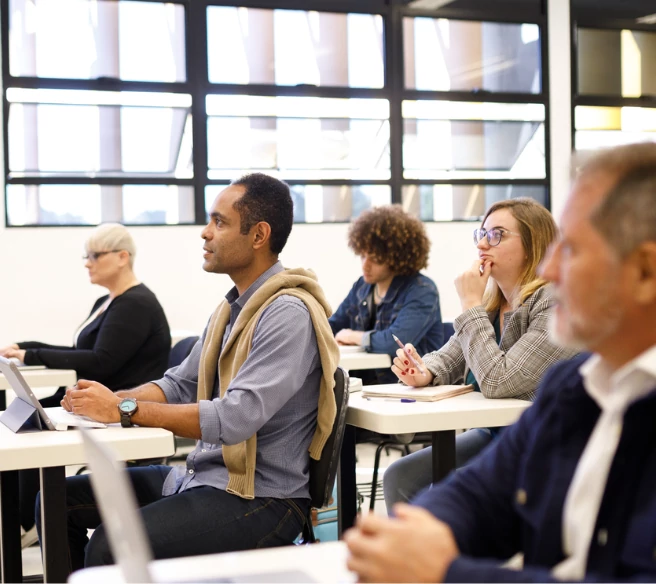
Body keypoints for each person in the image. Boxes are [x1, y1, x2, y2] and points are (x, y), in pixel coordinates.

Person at [345, 142, 656, 582]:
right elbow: (483, 492)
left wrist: (446, 572)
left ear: (644, 272)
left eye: (573, 250)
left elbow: (499, 381)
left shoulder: (540, 312)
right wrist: (418, 535)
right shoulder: (575, 386)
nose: (552, 272)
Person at [40, 173, 340, 572]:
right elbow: (179, 383)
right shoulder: (231, 309)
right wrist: (107, 402)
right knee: (54, 502)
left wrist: (123, 410)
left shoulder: (287, 313)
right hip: (204, 476)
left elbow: (235, 418)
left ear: (258, 235)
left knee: (114, 547)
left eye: (219, 222)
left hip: (260, 498)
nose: (205, 233)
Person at [383, 198, 578, 509]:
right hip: (493, 433)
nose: (483, 244)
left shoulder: (553, 301)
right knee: (400, 477)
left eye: (497, 234)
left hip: (540, 440)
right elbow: (448, 356)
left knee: (447, 491)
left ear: (532, 243)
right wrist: (424, 370)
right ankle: (422, 555)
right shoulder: (492, 304)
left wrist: (470, 304)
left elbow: (500, 381)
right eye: (481, 234)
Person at [0, 223, 171, 546]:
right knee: (22, 420)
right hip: (94, 402)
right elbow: (83, 352)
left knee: (29, 426)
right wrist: (25, 348)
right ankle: (20, 521)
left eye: (95, 255)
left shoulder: (136, 304)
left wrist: (30, 352)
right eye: (86, 256)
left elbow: (101, 361)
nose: (87, 263)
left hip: (118, 410)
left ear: (122, 257)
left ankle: (23, 525)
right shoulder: (108, 302)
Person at [329, 205, 443, 385]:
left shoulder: (422, 290)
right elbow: (332, 326)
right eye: (363, 256)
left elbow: (393, 343)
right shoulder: (362, 286)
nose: (365, 265)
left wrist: (353, 336)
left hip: (409, 389)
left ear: (396, 257)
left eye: (375, 259)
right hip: (365, 388)